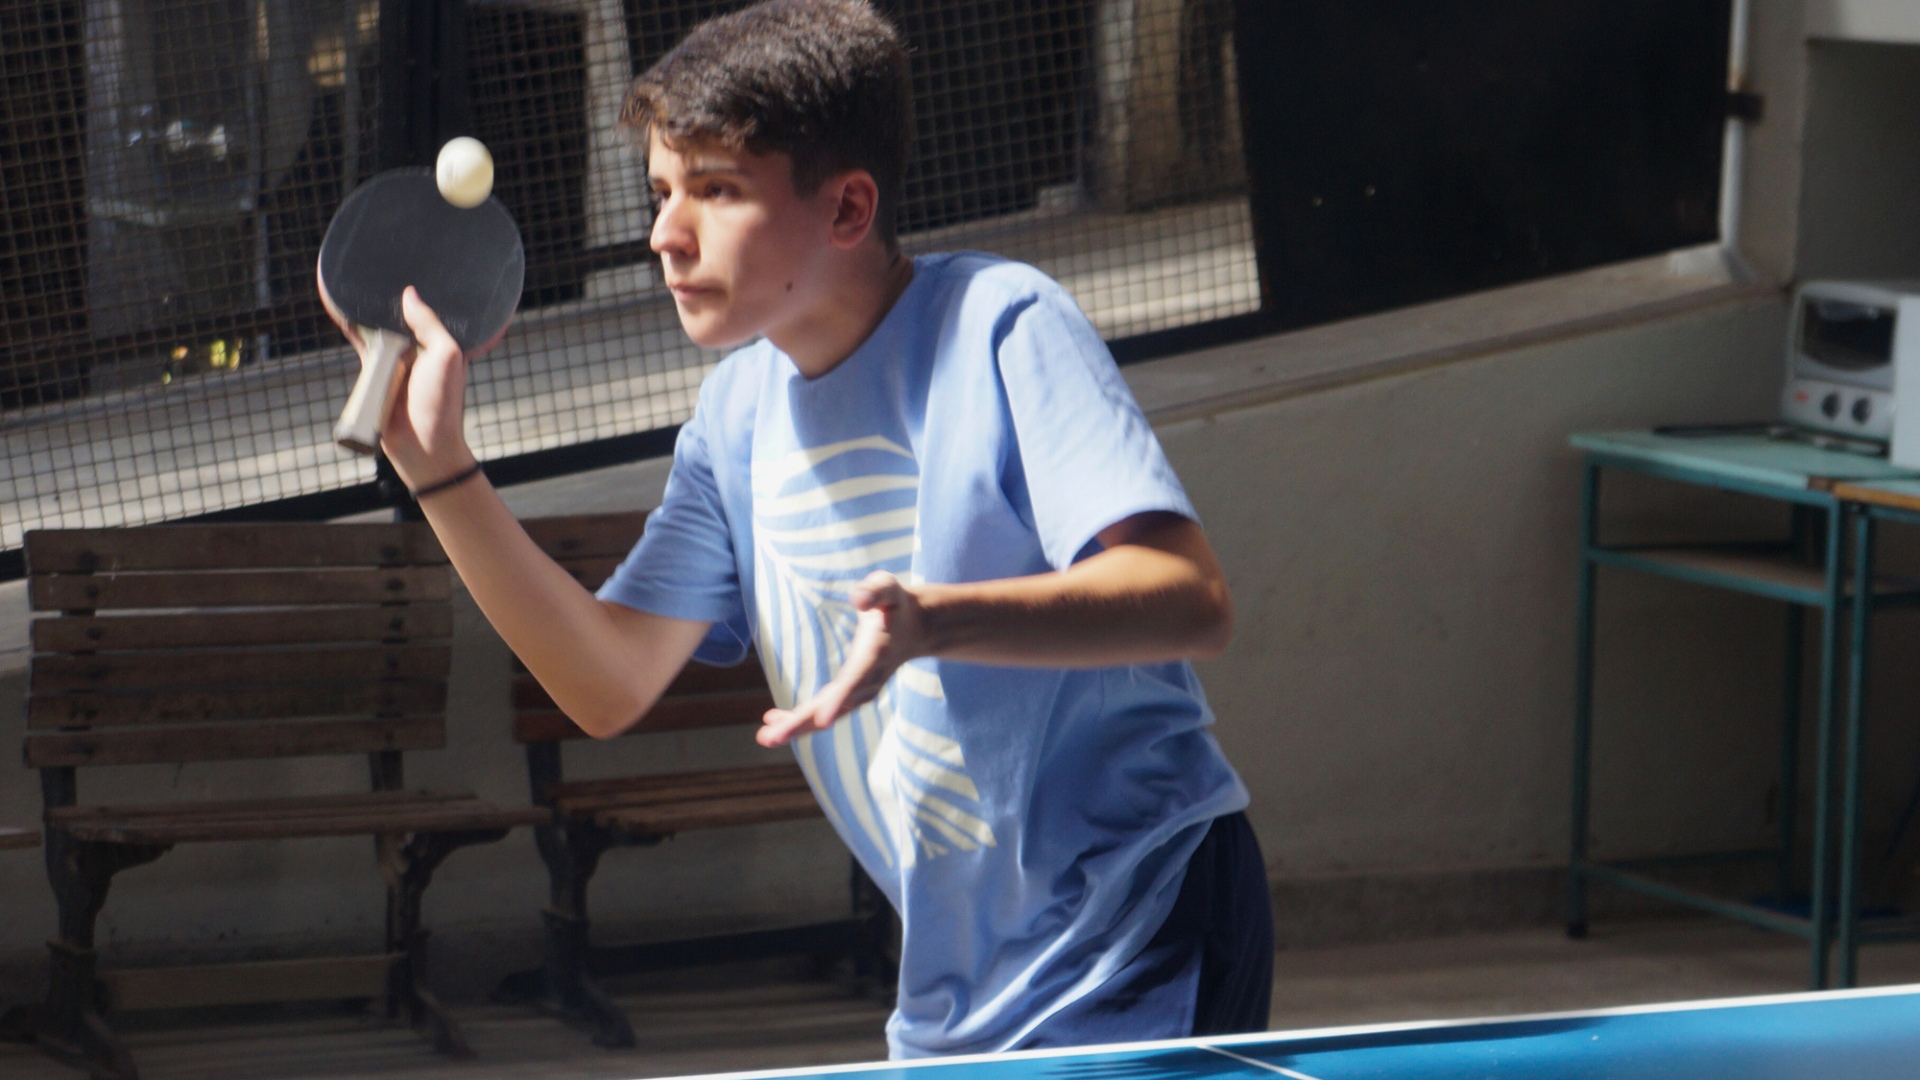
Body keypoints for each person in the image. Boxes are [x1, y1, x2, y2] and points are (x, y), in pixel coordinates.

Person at [326, 0, 1272, 1058]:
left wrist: (936, 622)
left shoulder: (1003, 323)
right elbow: (605, 681)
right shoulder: (735, 418)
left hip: (1139, 921)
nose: (665, 234)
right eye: (661, 193)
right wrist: (440, 470)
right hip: (957, 980)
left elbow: (1190, 600)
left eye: (716, 191)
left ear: (849, 207)